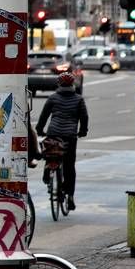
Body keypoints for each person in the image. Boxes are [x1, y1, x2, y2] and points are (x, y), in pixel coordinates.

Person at [35, 72, 89, 210]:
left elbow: (44, 116)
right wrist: (82, 131)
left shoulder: (53, 98)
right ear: (73, 85)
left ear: (58, 84)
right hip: (70, 137)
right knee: (69, 166)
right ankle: (70, 196)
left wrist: (40, 129)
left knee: (51, 153)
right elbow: (84, 117)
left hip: (53, 134)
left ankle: (48, 169)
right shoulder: (78, 99)